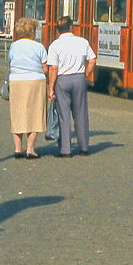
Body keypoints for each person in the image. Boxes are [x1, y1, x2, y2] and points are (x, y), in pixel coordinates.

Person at [46, 16, 97, 158]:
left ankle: (65, 150)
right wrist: (86, 73)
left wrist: (51, 88)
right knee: (81, 114)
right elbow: (92, 59)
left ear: (58, 30)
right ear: (71, 27)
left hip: (62, 80)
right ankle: (84, 147)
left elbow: (53, 69)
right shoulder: (82, 42)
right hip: (79, 78)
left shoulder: (54, 45)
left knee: (64, 115)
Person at [7, 17, 48, 159]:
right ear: (32, 31)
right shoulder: (39, 47)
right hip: (35, 81)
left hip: (16, 81)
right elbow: (45, 68)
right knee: (35, 114)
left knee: (17, 113)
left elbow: (10, 62)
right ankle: (30, 149)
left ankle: (18, 149)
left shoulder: (14, 46)